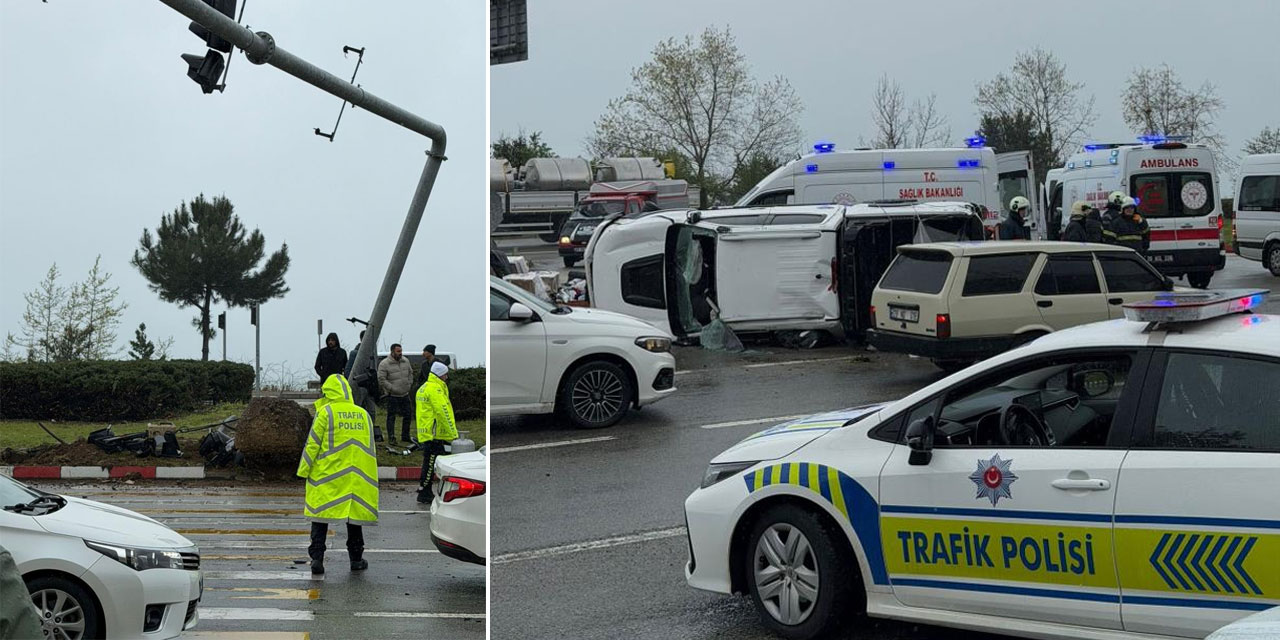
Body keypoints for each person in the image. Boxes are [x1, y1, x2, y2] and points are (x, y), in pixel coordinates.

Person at [297, 374, 379, 575]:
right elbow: (372, 449)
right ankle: (356, 559)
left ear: (328, 392)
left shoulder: (326, 413)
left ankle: (317, 559)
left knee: (321, 517)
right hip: (357, 477)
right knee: (354, 520)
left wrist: (303, 471)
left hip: (328, 476)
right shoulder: (363, 414)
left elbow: (312, 444)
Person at [415, 361, 457, 504]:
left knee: (429, 462)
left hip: (426, 431)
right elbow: (443, 411)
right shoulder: (435, 390)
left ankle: (424, 489)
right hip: (435, 433)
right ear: (440, 375)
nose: (447, 377)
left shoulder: (424, 387)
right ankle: (425, 492)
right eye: (445, 374)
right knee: (432, 463)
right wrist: (453, 434)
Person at [344, 330, 382, 442]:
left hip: (370, 387)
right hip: (358, 386)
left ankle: (369, 432)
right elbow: (348, 370)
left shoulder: (373, 354)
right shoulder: (355, 353)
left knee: (371, 411)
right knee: (357, 409)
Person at [378, 343, 415, 445]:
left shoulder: (406, 361)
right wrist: (391, 388)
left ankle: (405, 436)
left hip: (405, 393)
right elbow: (381, 379)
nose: (400, 353)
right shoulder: (384, 364)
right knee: (391, 416)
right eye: (398, 351)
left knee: (408, 415)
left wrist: (409, 384)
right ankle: (391, 437)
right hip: (392, 395)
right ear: (392, 352)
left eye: (401, 351)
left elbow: (410, 373)